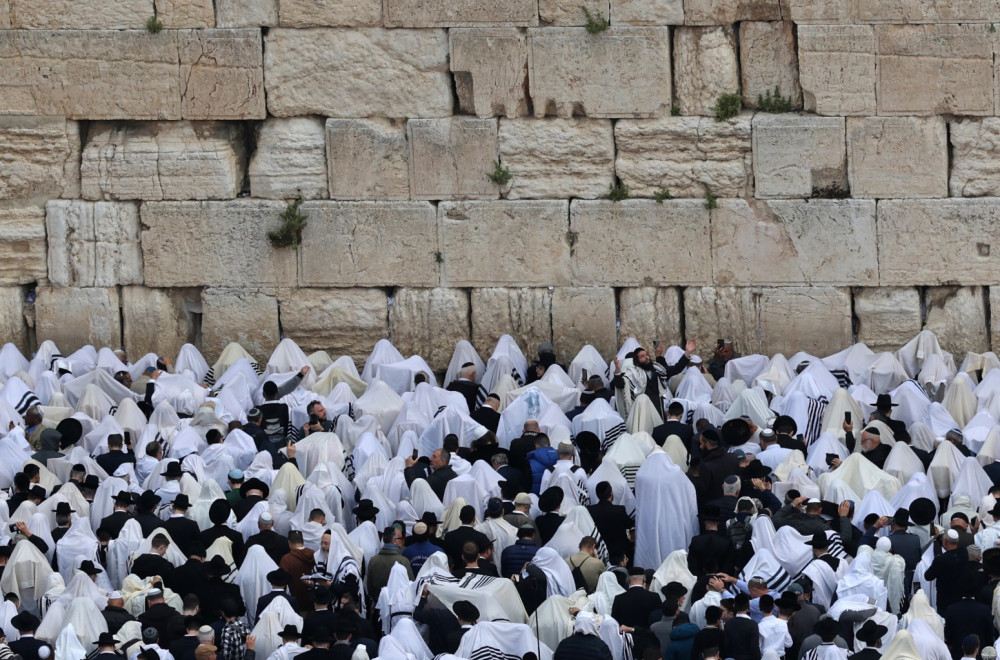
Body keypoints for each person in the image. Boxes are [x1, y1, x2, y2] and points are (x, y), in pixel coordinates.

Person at [613, 341, 695, 419]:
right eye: (642, 356)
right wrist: (617, 370)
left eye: (647, 355)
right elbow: (620, 384)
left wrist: (687, 352)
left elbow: (676, 368)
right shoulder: (633, 373)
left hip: (658, 407)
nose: (646, 357)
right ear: (637, 361)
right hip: (643, 410)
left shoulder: (658, 370)